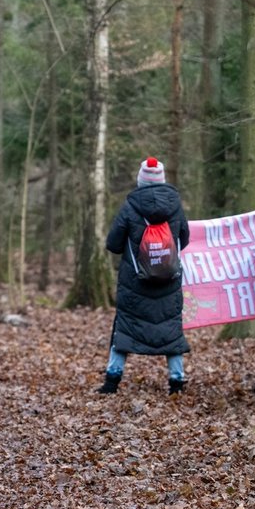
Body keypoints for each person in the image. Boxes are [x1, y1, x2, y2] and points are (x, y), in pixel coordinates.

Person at [97, 156, 190, 396]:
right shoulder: (175, 205)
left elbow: (113, 244)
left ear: (140, 180)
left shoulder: (130, 207)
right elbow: (185, 239)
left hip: (134, 283)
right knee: (171, 329)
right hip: (169, 280)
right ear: (162, 179)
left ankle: (112, 381)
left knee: (125, 330)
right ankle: (176, 381)